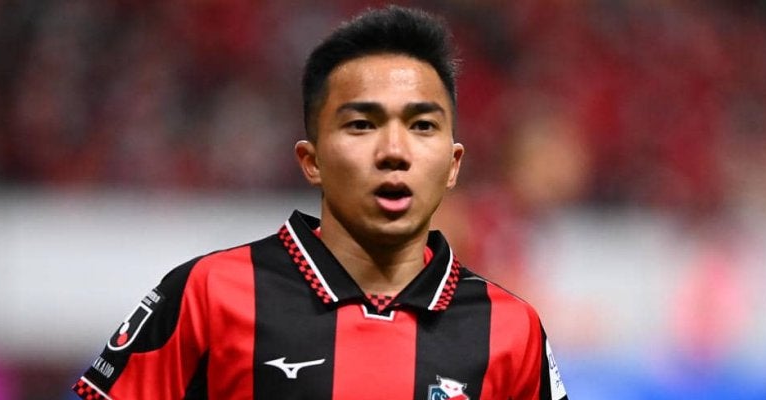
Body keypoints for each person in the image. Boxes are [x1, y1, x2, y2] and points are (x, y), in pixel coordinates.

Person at [72, 5, 567, 400]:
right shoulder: (207, 294)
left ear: (454, 163)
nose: (394, 151)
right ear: (311, 161)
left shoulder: (512, 329)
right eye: (362, 124)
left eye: (422, 125)